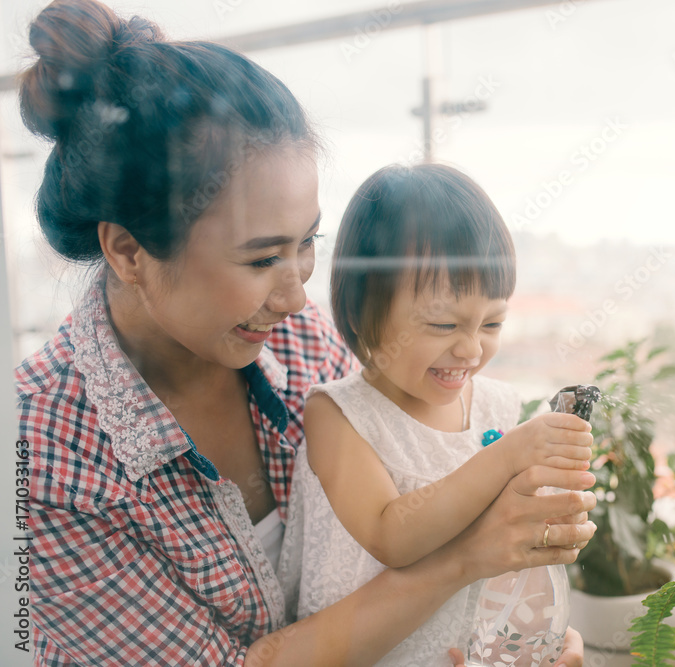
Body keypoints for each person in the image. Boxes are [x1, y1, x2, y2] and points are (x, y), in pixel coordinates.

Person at [14, 1, 596, 665]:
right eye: (262, 258)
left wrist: (510, 628)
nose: (297, 295)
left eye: (307, 242)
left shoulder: (291, 340)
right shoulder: (39, 458)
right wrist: (469, 558)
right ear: (127, 251)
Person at [279, 163, 594, 664]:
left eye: (492, 322)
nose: (470, 349)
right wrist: (510, 455)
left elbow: (502, 550)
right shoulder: (337, 414)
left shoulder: (495, 405)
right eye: (444, 324)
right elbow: (391, 535)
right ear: (362, 314)